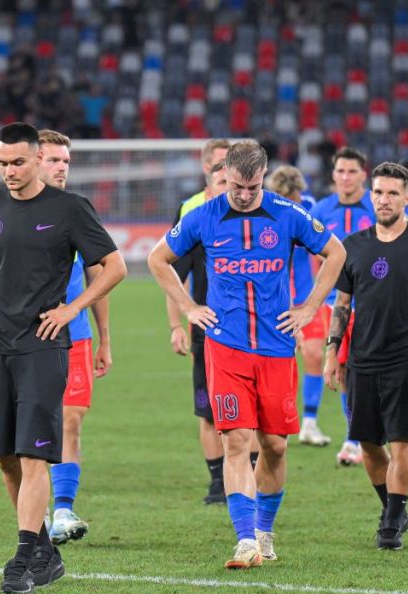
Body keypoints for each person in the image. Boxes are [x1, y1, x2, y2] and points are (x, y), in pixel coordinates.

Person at [148, 141, 346, 569]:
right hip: (226, 347)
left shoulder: (286, 213)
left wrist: (310, 306)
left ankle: (264, 531)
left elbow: (336, 252)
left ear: (263, 177)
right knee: (236, 440)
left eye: (251, 187)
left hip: (275, 347)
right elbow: (158, 259)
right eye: (236, 185)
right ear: (226, 175)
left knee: (275, 445)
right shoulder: (203, 215)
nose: (242, 194)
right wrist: (187, 308)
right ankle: (244, 540)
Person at [0, 123, 126, 594]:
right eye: (2, 163)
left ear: (37, 159)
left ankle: (24, 558)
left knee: (33, 456)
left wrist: (73, 308)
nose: (9, 171)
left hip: (45, 349)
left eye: (18, 162)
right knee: (6, 458)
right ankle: (46, 553)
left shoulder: (69, 209)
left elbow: (114, 266)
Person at [0, 129, 112, 544]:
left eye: (66, 162)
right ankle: (37, 522)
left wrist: (104, 337)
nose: (61, 169)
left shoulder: (73, 211)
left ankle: (64, 510)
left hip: (74, 334)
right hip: (18, 341)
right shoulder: (8, 211)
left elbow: (100, 273)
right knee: (15, 447)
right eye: (53, 160)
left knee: (70, 420)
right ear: (37, 160)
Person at [322, 163, 408, 550]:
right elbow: (342, 304)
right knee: (367, 444)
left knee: (400, 442)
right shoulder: (353, 246)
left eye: (393, 193)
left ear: (407, 198)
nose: (384, 200)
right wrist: (333, 352)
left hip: (407, 358)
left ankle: (392, 521)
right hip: (362, 358)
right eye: (378, 192)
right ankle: (393, 507)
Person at [163, 139, 233, 504]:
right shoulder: (194, 220)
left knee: (246, 413)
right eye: (222, 180)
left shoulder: (259, 224)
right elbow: (172, 272)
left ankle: (245, 474)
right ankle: (218, 482)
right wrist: (179, 322)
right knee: (207, 410)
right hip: (206, 330)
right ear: (209, 182)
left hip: (250, 331)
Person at [311, 147, 376, 465]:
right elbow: (315, 257)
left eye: (352, 171)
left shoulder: (377, 204)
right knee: (344, 369)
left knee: (372, 369)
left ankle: (370, 434)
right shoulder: (322, 210)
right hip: (336, 305)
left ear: (364, 174)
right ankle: (355, 437)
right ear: (333, 175)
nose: (346, 177)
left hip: (374, 302)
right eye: (341, 171)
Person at [264, 165, 332, 448]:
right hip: (274, 299)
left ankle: (309, 422)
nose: (289, 202)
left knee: (315, 354)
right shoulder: (266, 213)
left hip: (306, 298)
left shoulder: (310, 209)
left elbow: (323, 250)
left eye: (292, 196)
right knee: (281, 361)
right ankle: (278, 420)